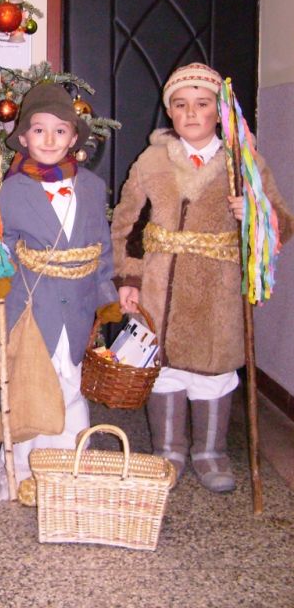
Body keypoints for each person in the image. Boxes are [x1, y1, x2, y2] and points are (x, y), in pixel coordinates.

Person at [111, 62, 294, 492]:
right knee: (164, 371)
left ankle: (210, 451)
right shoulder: (152, 161)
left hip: (218, 291)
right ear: (169, 112)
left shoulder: (244, 162)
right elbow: (127, 224)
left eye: (202, 104)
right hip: (160, 289)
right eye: (180, 105)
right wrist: (128, 280)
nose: (191, 113)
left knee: (214, 373)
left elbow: (282, 222)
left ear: (219, 111)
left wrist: (256, 215)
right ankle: (169, 450)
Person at [0, 82, 117, 506]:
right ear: (23, 138)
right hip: (31, 303)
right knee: (30, 383)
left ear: (74, 137)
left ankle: (69, 462)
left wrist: (106, 295)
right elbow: (3, 244)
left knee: (70, 382)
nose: (49, 139)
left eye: (60, 131)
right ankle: (25, 468)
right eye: (38, 130)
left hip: (76, 305)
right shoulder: (11, 189)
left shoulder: (92, 187)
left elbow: (101, 246)